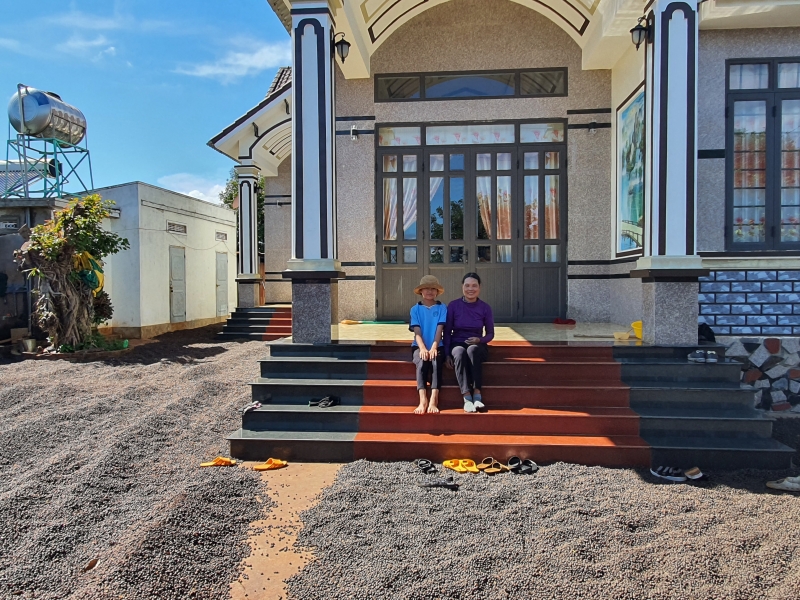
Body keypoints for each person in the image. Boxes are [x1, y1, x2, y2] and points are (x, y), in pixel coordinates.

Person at [444, 273, 495, 413]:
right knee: (459, 352)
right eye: (467, 285)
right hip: (457, 342)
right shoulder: (453, 306)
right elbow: (447, 332)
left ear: (479, 287)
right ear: (462, 287)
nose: (470, 289)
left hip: (478, 345)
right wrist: (447, 354)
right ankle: (467, 397)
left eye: (474, 285)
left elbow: (490, 334)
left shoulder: (485, 307)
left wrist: (480, 340)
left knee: (472, 350)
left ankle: (477, 395)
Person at [409, 275, 447, 414]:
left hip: (437, 345)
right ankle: (423, 399)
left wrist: (434, 347)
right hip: (419, 345)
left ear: (437, 292)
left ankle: (434, 399)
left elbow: (439, 329)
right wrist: (423, 348)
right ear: (421, 291)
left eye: (433, 289)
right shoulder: (415, 309)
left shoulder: (442, 308)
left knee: (436, 362)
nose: (430, 291)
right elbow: (417, 331)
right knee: (422, 361)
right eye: (426, 289)